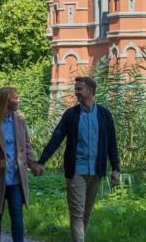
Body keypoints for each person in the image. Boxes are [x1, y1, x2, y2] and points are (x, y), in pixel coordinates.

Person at [36, 76, 120, 242]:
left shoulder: (104, 115)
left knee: (86, 212)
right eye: (76, 89)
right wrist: (41, 161)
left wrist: (115, 168)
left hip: (96, 171)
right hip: (76, 171)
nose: (76, 92)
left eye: (79, 89)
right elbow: (56, 138)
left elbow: (112, 143)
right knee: (77, 212)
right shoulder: (71, 115)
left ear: (90, 91)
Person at [0, 87, 40, 242]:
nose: (19, 101)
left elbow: (26, 145)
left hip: (16, 177)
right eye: (16, 98)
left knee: (17, 215)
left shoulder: (20, 119)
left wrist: (33, 164)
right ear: (6, 101)